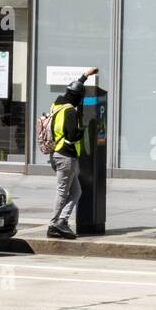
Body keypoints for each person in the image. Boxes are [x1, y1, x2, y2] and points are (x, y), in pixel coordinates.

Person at [47, 68, 96, 240]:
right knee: (62, 191)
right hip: (65, 155)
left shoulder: (57, 104)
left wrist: (84, 77)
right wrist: (84, 128)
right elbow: (72, 135)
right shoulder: (70, 112)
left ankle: (62, 221)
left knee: (76, 191)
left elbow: (72, 91)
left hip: (56, 154)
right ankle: (54, 224)